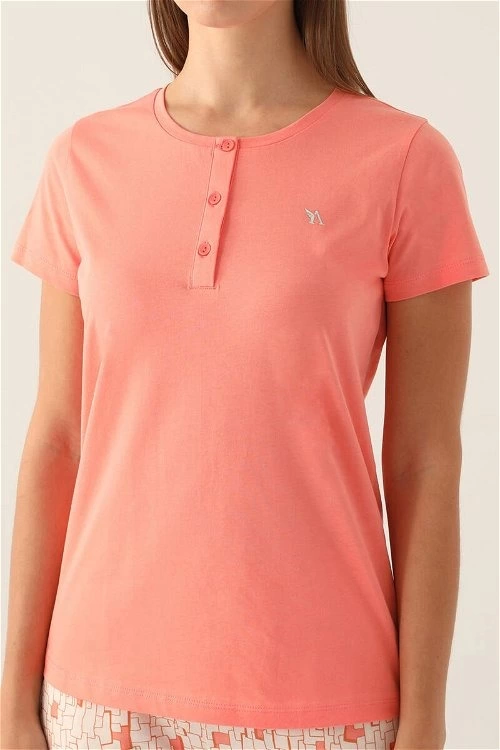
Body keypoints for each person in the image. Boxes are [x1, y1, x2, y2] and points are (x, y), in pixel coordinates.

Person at [1, 1, 491, 749]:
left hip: (328, 706)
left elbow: (425, 462)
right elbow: (57, 439)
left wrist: (425, 719)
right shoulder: (84, 157)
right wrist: (13, 705)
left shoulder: (404, 160)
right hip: (94, 702)